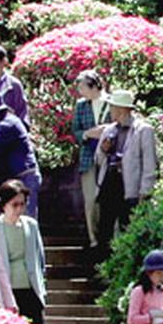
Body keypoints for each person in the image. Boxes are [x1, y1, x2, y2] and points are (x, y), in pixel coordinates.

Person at [94, 90, 157, 250]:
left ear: (121, 109)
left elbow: (149, 162)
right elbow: (99, 160)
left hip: (129, 185)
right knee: (104, 227)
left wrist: (146, 190)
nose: (110, 110)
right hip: (110, 181)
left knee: (127, 227)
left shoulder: (143, 130)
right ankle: (102, 266)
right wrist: (103, 149)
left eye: (112, 107)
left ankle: (122, 267)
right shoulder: (109, 130)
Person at [0, 179, 47, 324]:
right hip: (7, 290)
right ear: (3, 205)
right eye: (14, 205)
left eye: (23, 204)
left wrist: (41, 284)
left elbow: (40, 257)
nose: (19, 209)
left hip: (31, 288)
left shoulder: (31, 225)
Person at [72, 70, 111, 250]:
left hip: (109, 156)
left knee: (110, 197)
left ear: (94, 86)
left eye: (82, 86)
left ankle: (111, 238)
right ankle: (93, 239)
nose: (79, 90)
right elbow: (76, 131)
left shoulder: (111, 102)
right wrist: (87, 134)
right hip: (88, 155)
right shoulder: (81, 105)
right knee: (90, 199)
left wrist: (106, 131)